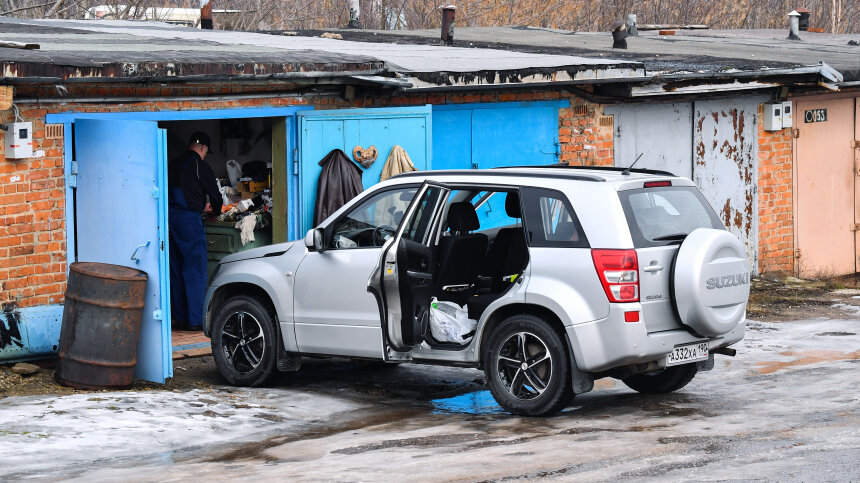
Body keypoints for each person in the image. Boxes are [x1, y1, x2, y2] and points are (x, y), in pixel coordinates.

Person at [168, 132, 222, 331]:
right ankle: (195, 321)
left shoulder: (173, 164)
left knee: (176, 268)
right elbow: (216, 197)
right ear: (203, 148)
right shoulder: (201, 166)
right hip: (189, 221)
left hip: (170, 219)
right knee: (194, 269)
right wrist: (214, 212)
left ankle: (180, 318)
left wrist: (198, 205)